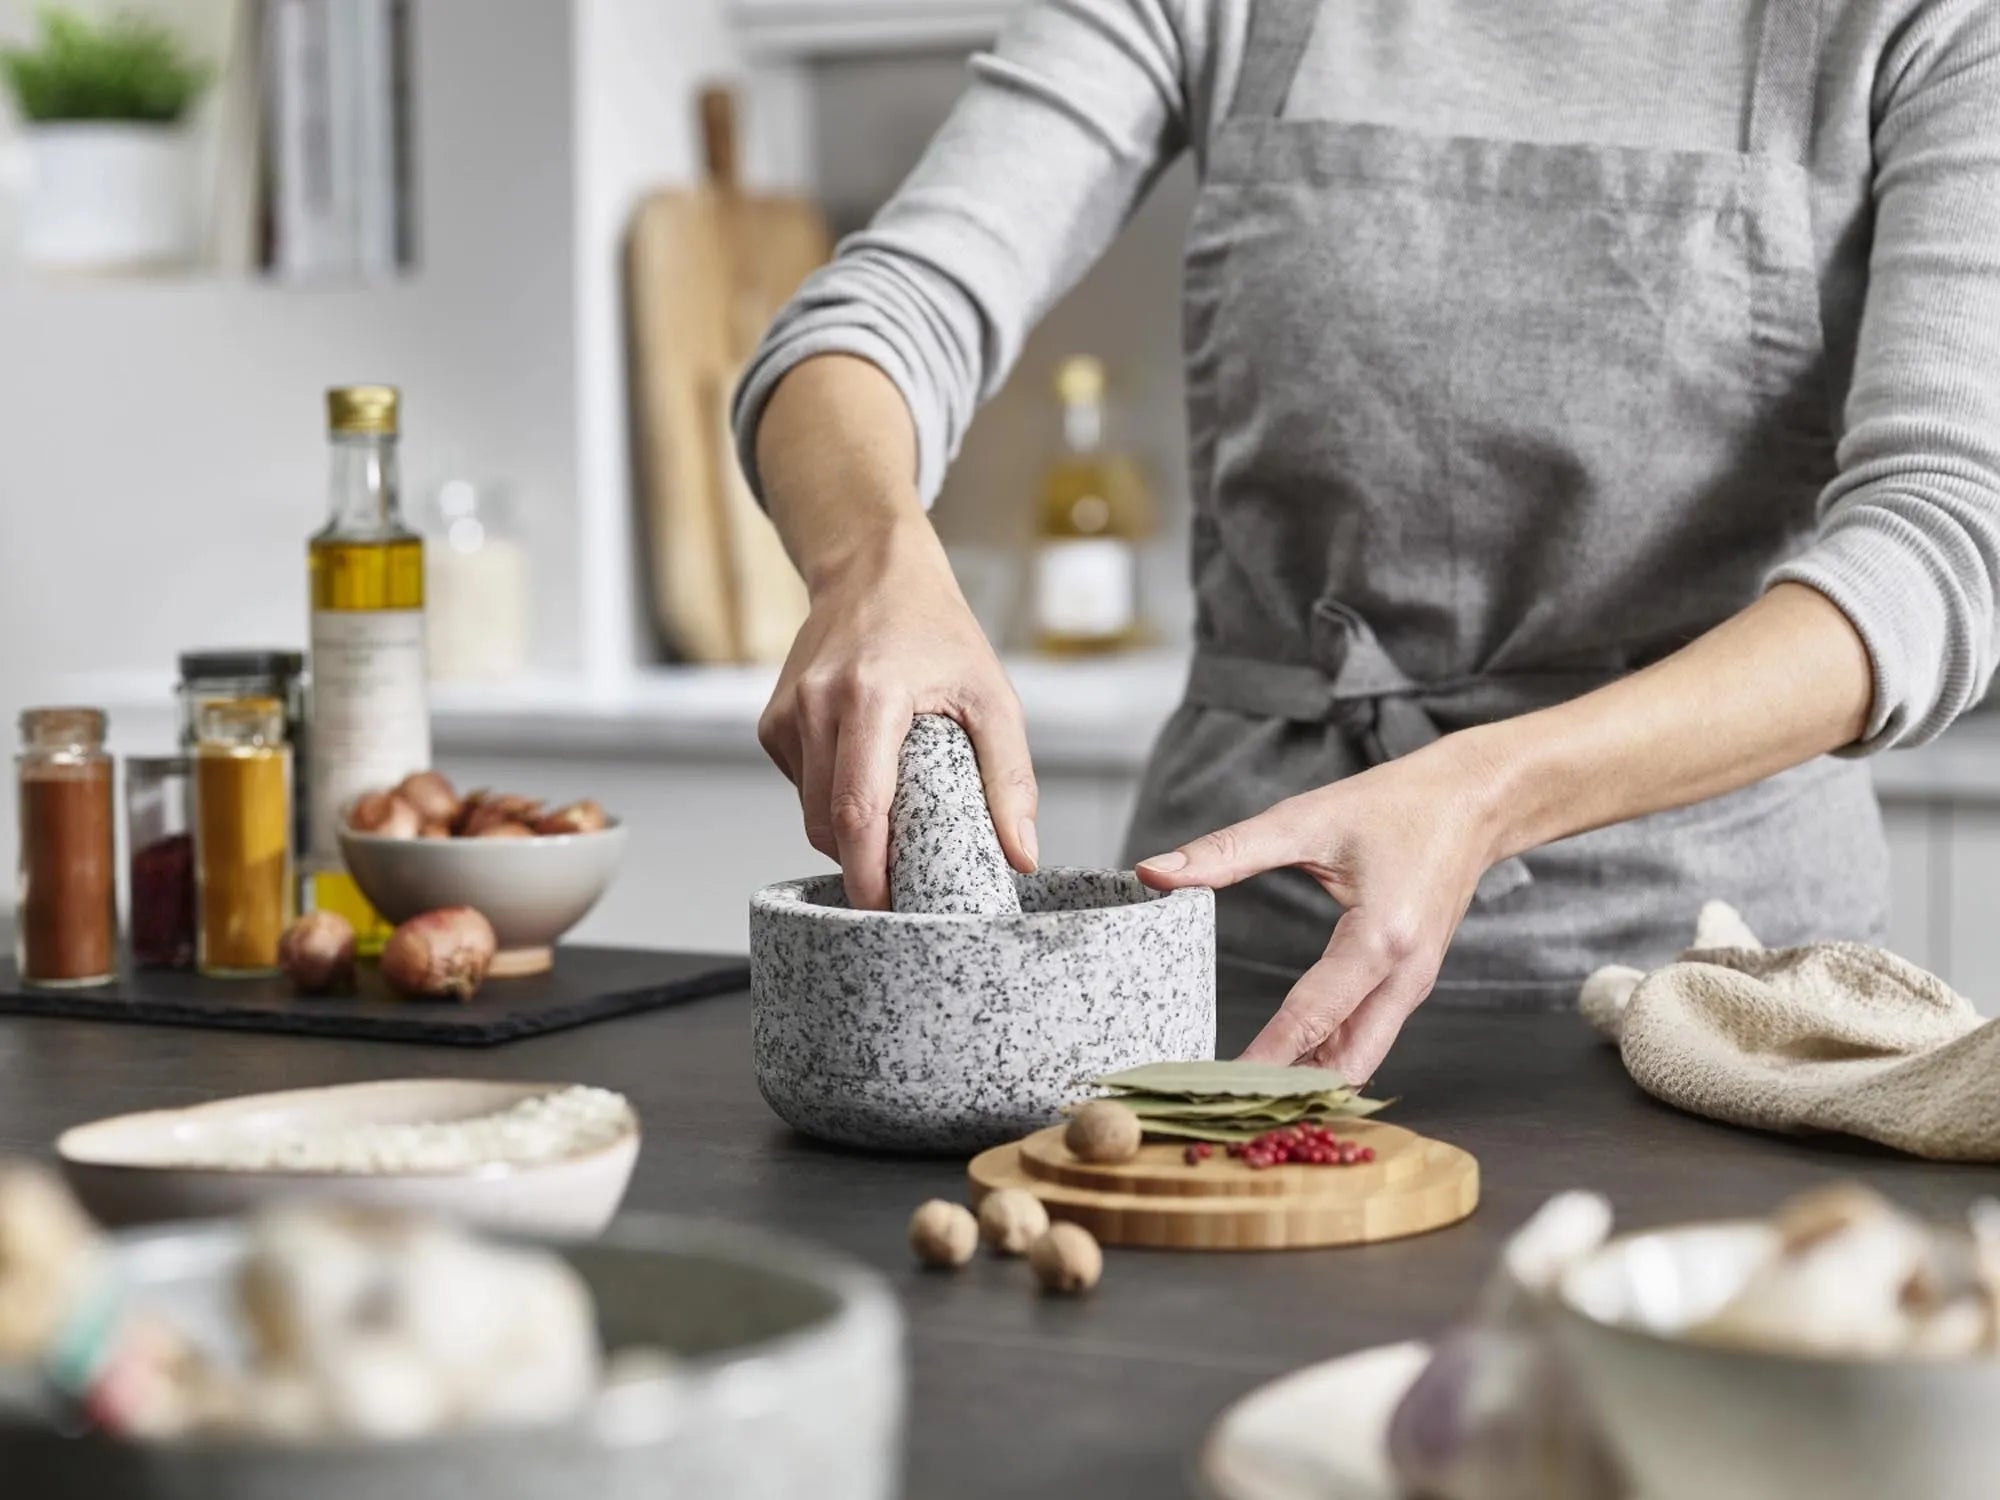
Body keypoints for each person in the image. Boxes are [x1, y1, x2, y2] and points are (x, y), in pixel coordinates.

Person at [731, 0, 2000, 1081]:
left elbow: (1942, 537)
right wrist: (871, 563)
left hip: (1723, 1000)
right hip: (1227, 972)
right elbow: (881, 312)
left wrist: (1480, 792)